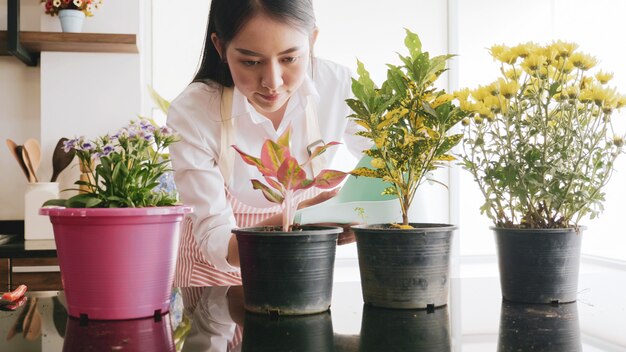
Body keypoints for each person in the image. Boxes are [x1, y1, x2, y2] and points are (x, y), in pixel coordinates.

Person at [167, 0, 370, 287]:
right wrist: (299, 220)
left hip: (299, 264)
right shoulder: (193, 112)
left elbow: (389, 160)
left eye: (289, 59)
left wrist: (362, 215)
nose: (272, 82)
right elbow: (217, 243)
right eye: (251, 62)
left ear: (312, 40)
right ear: (220, 47)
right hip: (216, 275)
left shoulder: (339, 86)